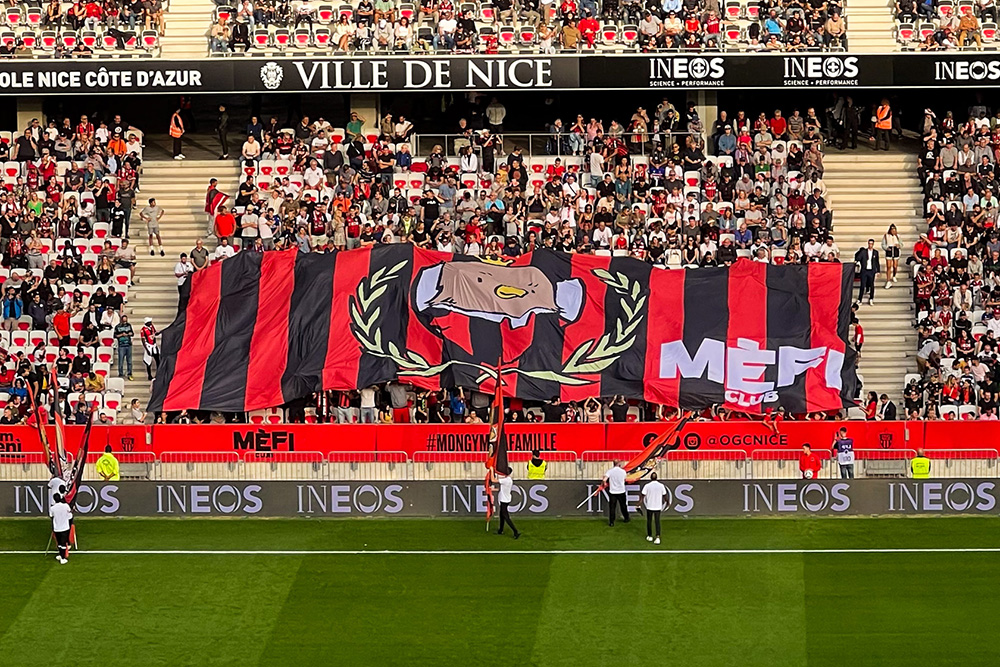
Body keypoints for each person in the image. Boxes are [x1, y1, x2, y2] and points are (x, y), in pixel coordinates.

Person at [495, 466, 520, 539]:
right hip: (506, 499)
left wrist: (491, 470)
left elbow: (493, 480)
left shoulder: (505, 480)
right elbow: (502, 488)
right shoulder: (508, 480)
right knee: (501, 515)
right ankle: (500, 530)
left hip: (504, 500)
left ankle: (515, 531)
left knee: (506, 517)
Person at [641, 471, 666, 545]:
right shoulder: (661, 485)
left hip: (650, 506)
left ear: (650, 478)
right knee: (657, 521)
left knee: (649, 521)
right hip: (658, 506)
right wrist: (667, 502)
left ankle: (650, 536)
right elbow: (665, 495)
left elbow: (642, 495)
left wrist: (638, 503)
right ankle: (657, 537)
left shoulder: (647, 485)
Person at [603, 459, 629, 526]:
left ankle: (611, 522)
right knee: (623, 506)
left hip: (613, 491)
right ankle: (626, 518)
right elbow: (625, 479)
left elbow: (604, 479)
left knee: (612, 507)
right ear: (619, 464)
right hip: (621, 491)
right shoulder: (623, 471)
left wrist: (605, 483)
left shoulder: (610, 471)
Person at [854, 239, 880, 305]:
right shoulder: (863, 252)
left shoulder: (876, 252)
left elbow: (877, 262)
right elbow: (858, 258)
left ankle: (871, 298)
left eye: (871, 244)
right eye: (869, 244)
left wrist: (878, 271)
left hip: (872, 271)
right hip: (864, 270)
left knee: (871, 285)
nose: (870, 245)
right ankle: (860, 299)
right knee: (862, 285)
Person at [49, 492, 73, 564]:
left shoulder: (52, 508)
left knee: (59, 543)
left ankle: (60, 555)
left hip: (57, 527)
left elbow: (51, 516)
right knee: (63, 543)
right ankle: (62, 557)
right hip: (65, 527)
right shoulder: (65, 506)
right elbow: (70, 513)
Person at [114, 314, 134, 380]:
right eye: (124, 321)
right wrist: (122, 335)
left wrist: (129, 334)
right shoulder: (117, 327)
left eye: (126, 320)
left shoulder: (129, 325)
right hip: (121, 346)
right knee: (121, 361)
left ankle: (130, 374)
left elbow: (132, 333)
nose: (125, 322)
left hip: (129, 345)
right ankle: (121, 374)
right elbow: (115, 335)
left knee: (129, 361)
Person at [141, 317, 159, 381]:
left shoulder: (152, 327)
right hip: (148, 346)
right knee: (148, 362)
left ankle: (159, 374)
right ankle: (149, 375)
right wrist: (146, 349)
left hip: (154, 345)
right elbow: (143, 340)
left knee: (158, 360)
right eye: (149, 322)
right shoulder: (143, 329)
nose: (151, 323)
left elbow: (155, 333)